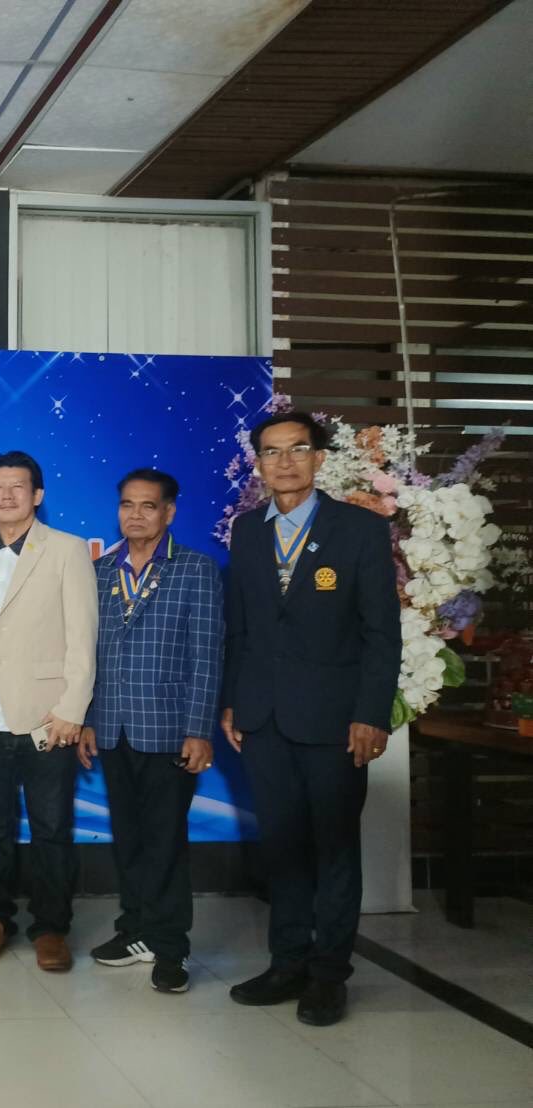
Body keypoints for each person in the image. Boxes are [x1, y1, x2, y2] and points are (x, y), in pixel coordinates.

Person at [222, 411, 400, 1027]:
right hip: (264, 717)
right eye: (272, 452)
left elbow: (382, 634)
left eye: (297, 449)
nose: (285, 462)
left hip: (335, 719)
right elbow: (241, 626)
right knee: (282, 846)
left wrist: (371, 714)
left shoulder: (359, 529)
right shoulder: (247, 530)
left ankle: (329, 974)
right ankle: (288, 962)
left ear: (319, 458)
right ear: (259, 464)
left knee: (334, 848)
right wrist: (233, 700)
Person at [77, 468, 223, 994]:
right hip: (112, 727)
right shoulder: (99, 571)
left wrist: (199, 729)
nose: (135, 515)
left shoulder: (196, 569)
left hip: (170, 730)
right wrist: (88, 719)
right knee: (130, 838)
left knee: (164, 841)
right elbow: (86, 653)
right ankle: (135, 929)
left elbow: (208, 655)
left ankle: (170, 947)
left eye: (147, 505)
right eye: (127, 505)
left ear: (169, 512)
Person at [0, 450, 97, 972]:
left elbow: (83, 636)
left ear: (37, 495)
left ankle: (51, 925)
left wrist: (72, 709)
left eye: (18, 486)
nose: (8, 494)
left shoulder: (66, 550)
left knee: (51, 825)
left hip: (46, 715)